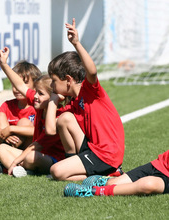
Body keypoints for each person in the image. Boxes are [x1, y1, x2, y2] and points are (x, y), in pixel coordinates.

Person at [47, 18, 125, 181]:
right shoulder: (74, 103)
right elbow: (50, 129)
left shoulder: (89, 90)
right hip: (92, 150)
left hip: (106, 154)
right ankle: (86, 169)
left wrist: (76, 43)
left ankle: (108, 176)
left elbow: (93, 71)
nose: (52, 86)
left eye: (54, 81)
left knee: (56, 172)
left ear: (68, 79)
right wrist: (52, 101)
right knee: (65, 119)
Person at [0, 47, 67, 177]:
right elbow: (20, 85)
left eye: (40, 93)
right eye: (36, 92)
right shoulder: (40, 104)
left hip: (54, 159)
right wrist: (4, 64)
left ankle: (14, 166)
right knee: (2, 149)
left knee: (31, 157)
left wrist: (16, 160)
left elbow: (38, 145)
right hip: (34, 152)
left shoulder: (60, 115)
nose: (36, 96)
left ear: (52, 97)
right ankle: (23, 169)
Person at [0, 60, 40, 168]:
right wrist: (2, 133)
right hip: (5, 144)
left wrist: (11, 129)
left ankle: (3, 159)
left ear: (36, 86)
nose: (17, 88)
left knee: (24, 122)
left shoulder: (37, 106)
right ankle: (4, 156)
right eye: (14, 84)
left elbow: (39, 131)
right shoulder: (7, 105)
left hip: (27, 151)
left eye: (22, 83)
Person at [64, 149, 169, 197]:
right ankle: (105, 181)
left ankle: (91, 191)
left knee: (147, 185)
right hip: (161, 163)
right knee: (112, 183)